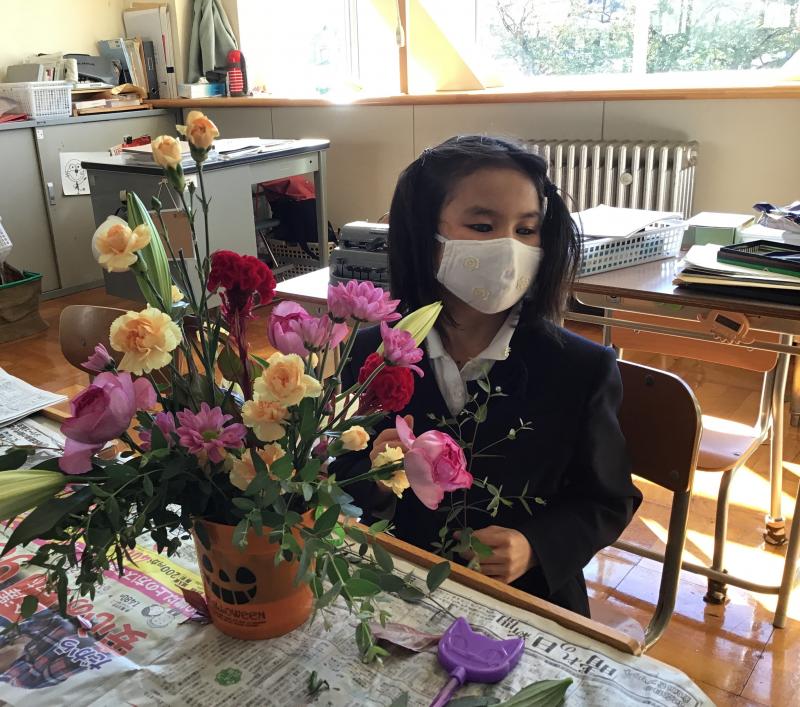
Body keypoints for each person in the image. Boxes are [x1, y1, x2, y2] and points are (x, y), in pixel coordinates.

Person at [335, 135, 642, 617]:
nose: (510, 248)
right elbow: (340, 474)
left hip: (529, 600)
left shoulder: (579, 368)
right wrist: (375, 477)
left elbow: (608, 500)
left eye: (526, 229)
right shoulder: (372, 352)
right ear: (424, 235)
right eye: (482, 226)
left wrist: (534, 545)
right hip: (401, 585)